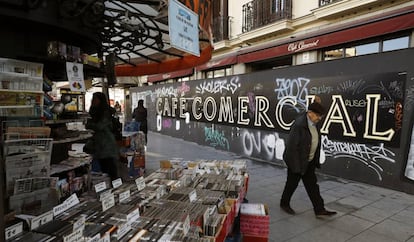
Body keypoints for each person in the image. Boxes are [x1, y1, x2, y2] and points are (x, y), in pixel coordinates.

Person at [280, 101, 337, 218]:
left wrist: (314, 160)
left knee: (312, 186)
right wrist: (296, 167)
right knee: (291, 184)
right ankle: (284, 203)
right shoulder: (299, 125)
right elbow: (292, 147)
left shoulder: (314, 123)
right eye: (318, 115)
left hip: (308, 162)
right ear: (310, 113)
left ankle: (319, 209)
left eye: (321, 116)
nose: (320, 118)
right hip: (297, 162)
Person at [86, 92, 119, 181]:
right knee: (102, 170)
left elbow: (99, 126)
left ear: (100, 100)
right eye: (92, 99)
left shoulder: (105, 112)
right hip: (99, 144)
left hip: (107, 144)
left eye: (95, 99)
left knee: (109, 168)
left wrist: (89, 125)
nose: (93, 101)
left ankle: (114, 188)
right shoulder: (94, 111)